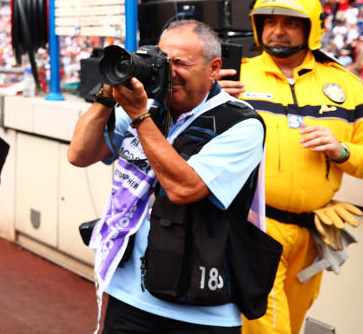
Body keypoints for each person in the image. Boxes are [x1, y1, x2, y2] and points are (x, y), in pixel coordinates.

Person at [68, 20, 265, 334]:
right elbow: (79, 154)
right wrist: (106, 97)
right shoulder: (146, 106)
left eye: (180, 63)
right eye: (162, 61)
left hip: (203, 310)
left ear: (214, 68)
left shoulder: (241, 124)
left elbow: (183, 188)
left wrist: (140, 117)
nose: (168, 72)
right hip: (129, 296)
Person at [217, 0, 363, 334]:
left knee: (293, 323)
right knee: (269, 328)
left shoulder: (346, 85)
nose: (277, 31)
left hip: (312, 234)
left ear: (311, 28)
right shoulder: (233, 76)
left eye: (289, 23)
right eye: (269, 22)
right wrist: (210, 103)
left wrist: (341, 151)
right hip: (254, 228)